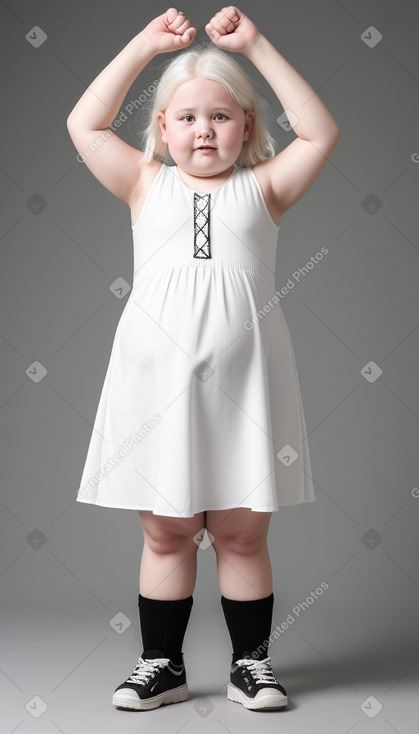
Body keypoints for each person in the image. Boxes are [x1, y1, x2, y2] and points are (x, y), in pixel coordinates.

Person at [67, 5, 340, 713]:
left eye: (220, 116)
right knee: (165, 528)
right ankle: (163, 664)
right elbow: (84, 125)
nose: (203, 130)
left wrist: (254, 46)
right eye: (185, 118)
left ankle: (251, 665)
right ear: (161, 129)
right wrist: (140, 48)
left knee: (240, 527)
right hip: (154, 383)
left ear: (247, 125)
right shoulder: (142, 184)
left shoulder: (267, 188)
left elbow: (319, 130)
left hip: (247, 381)